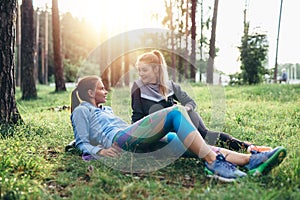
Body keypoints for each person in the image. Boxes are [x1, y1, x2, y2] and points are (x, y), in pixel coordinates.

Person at [70, 75, 286, 182]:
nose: (105, 90)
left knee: (191, 142)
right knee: (176, 112)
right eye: (101, 88)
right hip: (120, 140)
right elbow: (81, 142)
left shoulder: (105, 110)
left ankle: (251, 161)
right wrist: (100, 151)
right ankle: (213, 164)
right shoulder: (82, 111)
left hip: (134, 140)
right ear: (90, 93)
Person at [131, 50, 272, 153]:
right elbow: (137, 115)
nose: (141, 74)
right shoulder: (138, 87)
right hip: (156, 129)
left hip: (179, 121)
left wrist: (184, 110)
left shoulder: (170, 85)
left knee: (206, 135)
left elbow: (190, 102)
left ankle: (249, 147)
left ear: (156, 69)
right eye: (139, 70)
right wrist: (135, 138)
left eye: (144, 70)